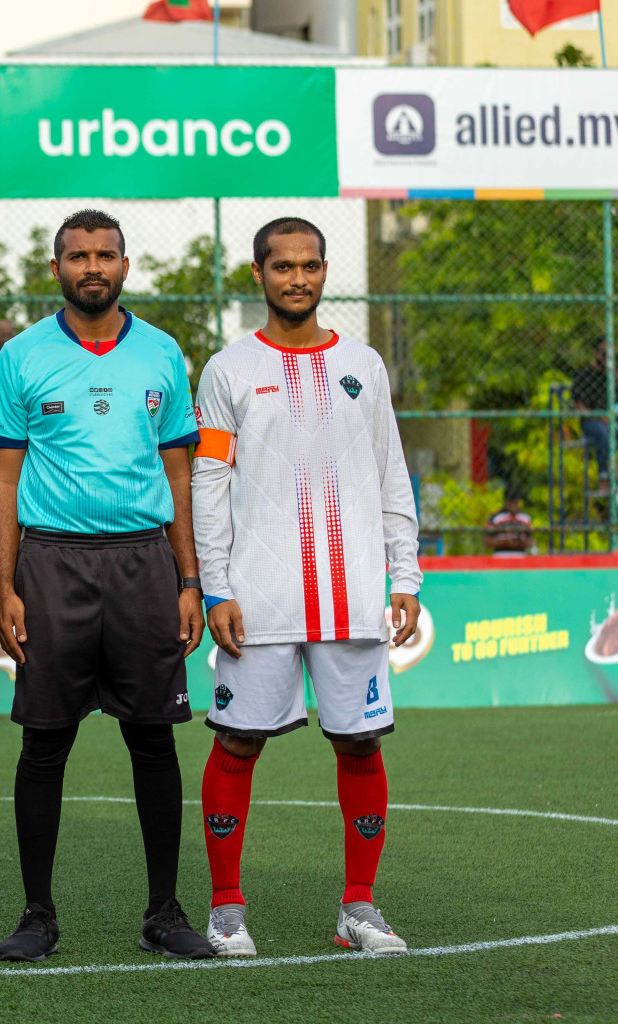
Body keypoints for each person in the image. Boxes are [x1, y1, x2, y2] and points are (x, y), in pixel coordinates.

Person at [0, 209, 211, 962]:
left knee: (153, 739)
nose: (92, 267)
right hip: (52, 566)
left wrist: (189, 579)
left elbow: (180, 471)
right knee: (44, 743)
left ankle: (164, 911)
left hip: (146, 564)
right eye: (77, 255)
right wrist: (5, 584)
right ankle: (38, 916)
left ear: (124, 264)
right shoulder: (21, 356)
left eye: (104, 255)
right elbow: (5, 476)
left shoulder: (163, 354)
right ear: (56, 268)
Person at [192, 217, 422, 958]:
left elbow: (391, 471)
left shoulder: (365, 363)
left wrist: (405, 571)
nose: (298, 279)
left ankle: (359, 908)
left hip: (353, 595)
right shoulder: (227, 370)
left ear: (325, 272)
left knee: (360, 746)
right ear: (257, 274)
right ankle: (227, 909)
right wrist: (216, 586)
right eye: (282, 266)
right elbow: (208, 482)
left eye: (310, 266)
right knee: (237, 740)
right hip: (258, 599)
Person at [571, 338, 612, 479]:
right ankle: (604, 477)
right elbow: (579, 406)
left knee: (609, 428)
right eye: (604, 353)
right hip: (592, 421)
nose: (607, 357)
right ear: (595, 353)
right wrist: (600, 416)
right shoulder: (584, 374)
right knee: (603, 432)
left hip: (611, 418)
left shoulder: (612, 376)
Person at [485, 492, 534, 557]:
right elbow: (487, 542)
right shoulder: (494, 518)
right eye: (511, 503)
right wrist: (505, 542)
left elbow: (531, 541)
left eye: (515, 503)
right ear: (506, 503)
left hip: (520, 554)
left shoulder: (525, 518)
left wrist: (518, 542)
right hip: (501, 554)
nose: (513, 506)